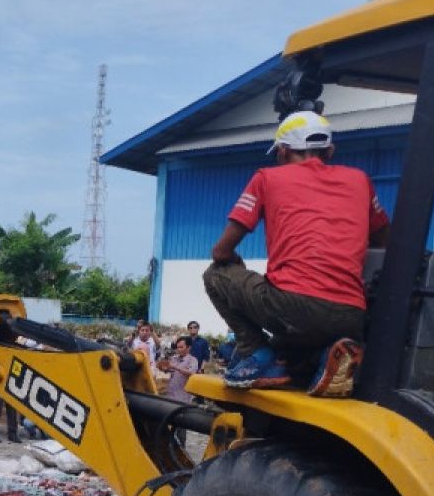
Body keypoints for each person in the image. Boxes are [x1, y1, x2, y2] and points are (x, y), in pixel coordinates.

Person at [204, 110, 389, 396]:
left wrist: (231, 262)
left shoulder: (267, 178)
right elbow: (383, 239)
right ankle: (329, 354)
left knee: (214, 275)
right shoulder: (360, 180)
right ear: (330, 150)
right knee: (292, 344)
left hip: (292, 306)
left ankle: (255, 352)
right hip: (351, 314)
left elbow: (221, 250)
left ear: (282, 151)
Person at [158, 336, 200, 404]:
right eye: (177, 347)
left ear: (189, 348)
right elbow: (170, 370)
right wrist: (163, 368)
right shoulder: (174, 358)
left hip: (183, 396)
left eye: (181, 347)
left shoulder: (193, 360)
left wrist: (175, 367)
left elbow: (191, 373)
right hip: (171, 393)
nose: (178, 349)